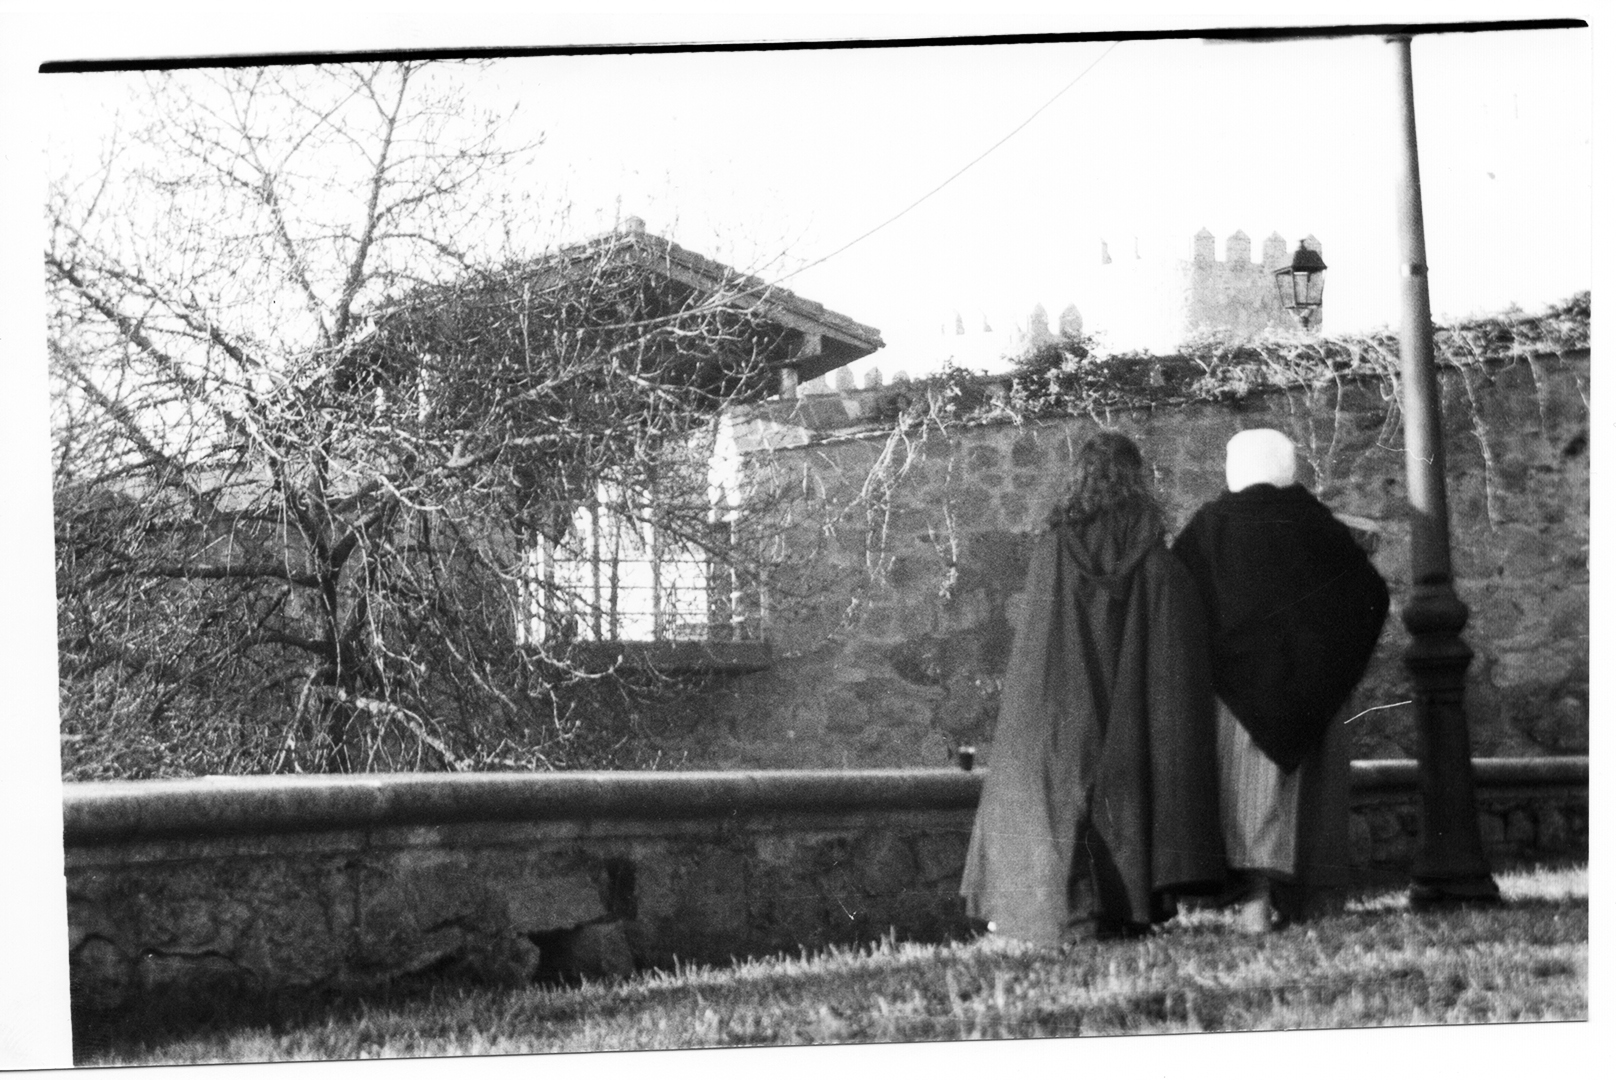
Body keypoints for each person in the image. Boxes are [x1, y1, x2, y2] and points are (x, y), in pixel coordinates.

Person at [959, 431, 1226, 945]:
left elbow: (1041, 638)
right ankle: (1125, 908)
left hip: (1063, 693)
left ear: (1078, 476)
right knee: (1126, 795)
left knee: (1060, 792)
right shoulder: (1152, 551)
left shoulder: (1055, 546)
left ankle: (1062, 909)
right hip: (1127, 693)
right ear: (1136, 477)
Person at [1171, 428, 1390, 932]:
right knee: (1306, 800)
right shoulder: (1320, 526)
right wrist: (1332, 663)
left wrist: (1214, 661)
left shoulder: (1212, 527)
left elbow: (1180, 600)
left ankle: (1253, 906)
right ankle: (1310, 902)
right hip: (1315, 696)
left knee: (1248, 800)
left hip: (1238, 694)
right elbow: (1369, 595)